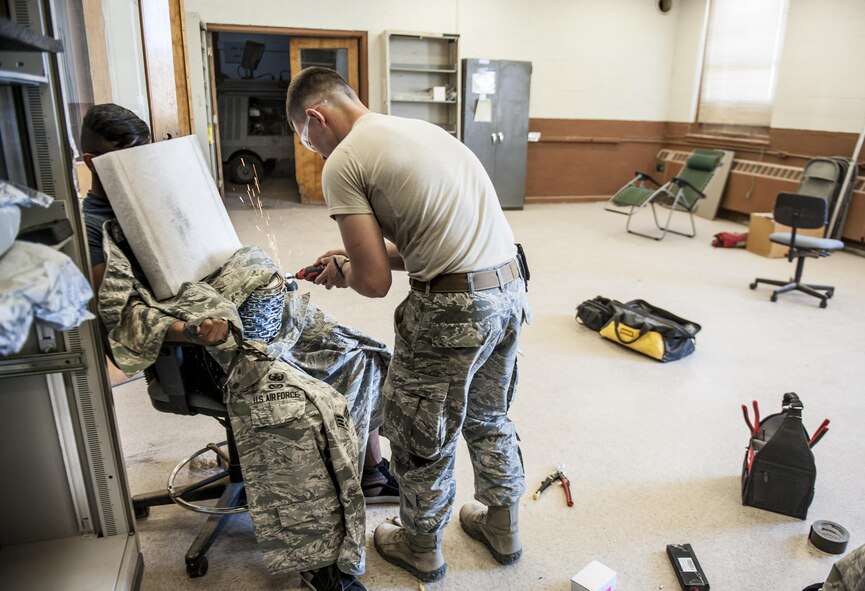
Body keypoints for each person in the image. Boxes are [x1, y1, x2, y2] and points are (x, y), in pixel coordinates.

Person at [79, 103, 397, 591]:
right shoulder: (95, 228)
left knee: (359, 354)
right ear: (90, 160)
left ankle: (371, 471)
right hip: (202, 350)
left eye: (140, 155)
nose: (133, 170)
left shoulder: (161, 190)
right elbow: (121, 315)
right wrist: (192, 329)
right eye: (119, 160)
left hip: (251, 315)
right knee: (298, 410)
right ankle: (321, 562)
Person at [286, 67, 530, 582]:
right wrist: (354, 259)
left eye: (310, 143)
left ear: (316, 117)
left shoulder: (344, 162)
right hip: (507, 290)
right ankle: (503, 526)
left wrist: (347, 271)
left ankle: (420, 544)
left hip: (453, 311)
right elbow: (429, 245)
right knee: (489, 414)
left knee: (423, 429)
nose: (316, 154)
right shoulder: (422, 131)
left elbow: (373, 283)